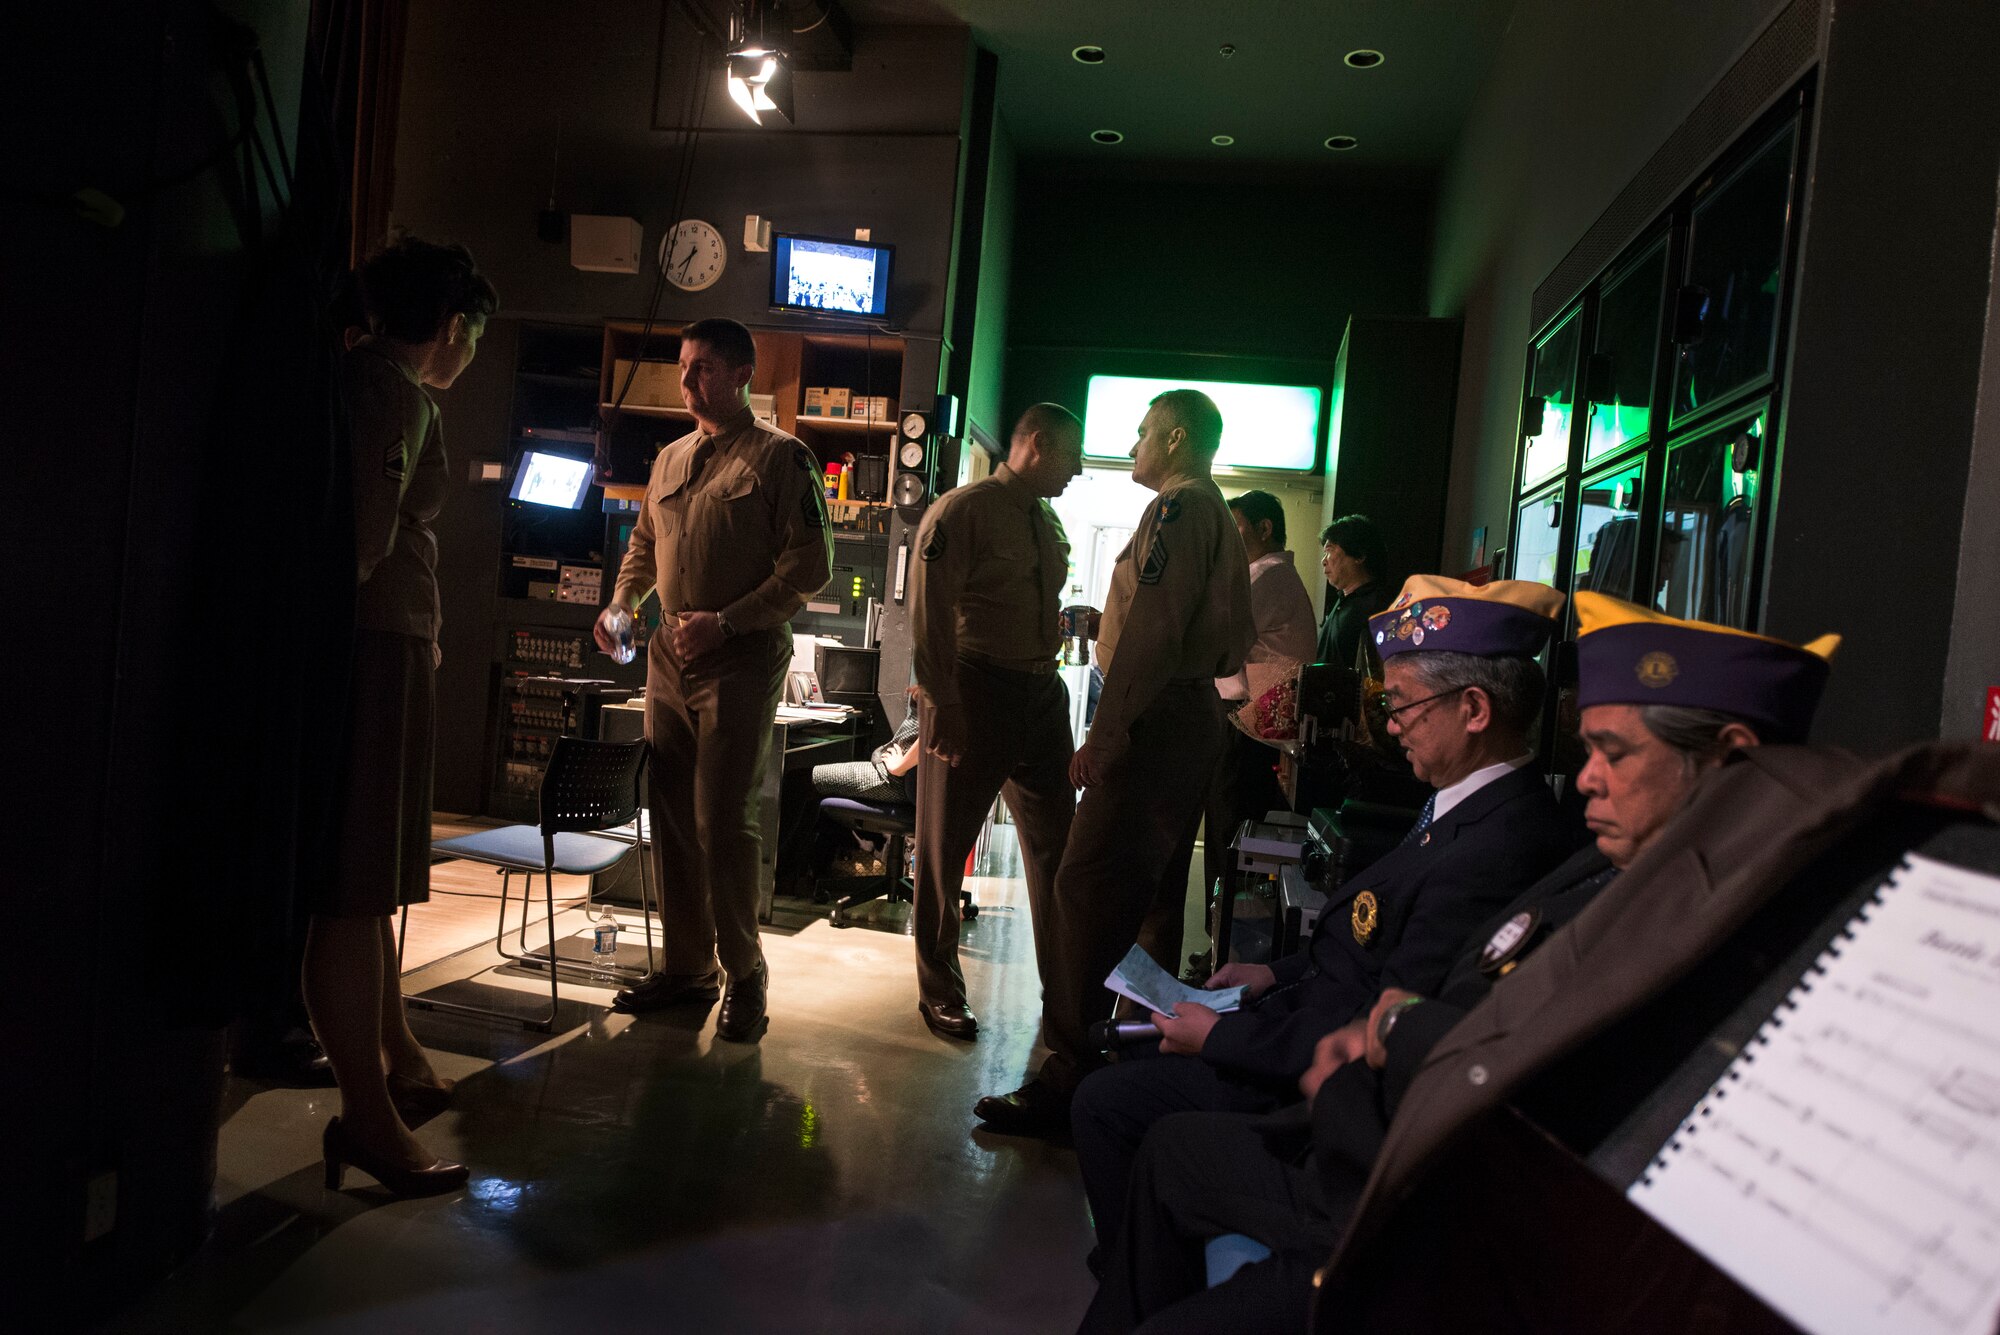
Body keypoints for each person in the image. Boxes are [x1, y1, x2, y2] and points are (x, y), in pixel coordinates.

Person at [1080, 590, 1841, 1334]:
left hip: (1419, 1210)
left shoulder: (1701, 927)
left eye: (1613, 753)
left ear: (1727, 758)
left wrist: (1383, 1040)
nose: (1585, 777)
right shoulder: (1610, 872)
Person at [1069, 576, 1580, 1251]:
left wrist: (1219, 1039)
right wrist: (1272, 973)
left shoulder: (1500, 845)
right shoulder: (1462, 803)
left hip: (1320, 1078)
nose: (1391, 725)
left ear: (1474, 709)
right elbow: (1366, 947)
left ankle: (1139, 1275)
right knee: (1121, 1068)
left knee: (1105, 1102)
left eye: (1401, 704)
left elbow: (1382, 1018)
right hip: (1299, 1018)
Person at [974, 388, 1254, 1135]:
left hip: (1155, 719)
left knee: (1083, 887)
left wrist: (1105, 734)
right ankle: (1134, 1057)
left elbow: (1155, 629)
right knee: (1152, 899)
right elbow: (1224, 634)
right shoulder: (1216, 514)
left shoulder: (1179, 508)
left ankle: (1071, 1074)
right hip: (1188, 715)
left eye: (1142, 432)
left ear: (1177, 437)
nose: (1133, 446)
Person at [305, 237, 496, 1197]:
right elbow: (360, 545)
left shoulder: (364, 379)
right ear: (452, 325)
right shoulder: (395, 395)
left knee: (368, 878)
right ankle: (367, 1115)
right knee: (354, 887)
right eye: (474, 334)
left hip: (383, 645)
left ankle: (397, 1056)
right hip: (375, 649)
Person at [597, 318, 833, 1042]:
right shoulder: (671, 458)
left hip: (740, 655)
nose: (687, 380)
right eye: (683, 366)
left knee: (723, 820)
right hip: (668, 654)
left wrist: (726, 623)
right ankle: (688, 968)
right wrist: (621, 604)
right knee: (670, 814)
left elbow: (811, 566)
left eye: (702, 367)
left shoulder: (782, 458)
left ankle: (745, 971)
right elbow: (644, 544)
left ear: (740, 375)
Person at [908, 403, 1085, 1041]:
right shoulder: (964, 511)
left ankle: (1068, 993)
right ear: (1037, 444)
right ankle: (938, 991)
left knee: (1058, 847)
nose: (1078, 469)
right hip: (976, 689)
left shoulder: (1047, 519)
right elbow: (928, 609)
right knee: (944, 847)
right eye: (1071, 455)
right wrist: (942, 700)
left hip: (1040, 693)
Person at [1202, 489, 1318, 910]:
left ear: (1264, 529)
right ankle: (1226, 926)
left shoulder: (1267, 575)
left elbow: (1215, 638)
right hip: (1254, 720)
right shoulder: (1269, 575)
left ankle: (1227, 929)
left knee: (1230, 828)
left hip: (1251, 722)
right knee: (1230, 826)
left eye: (1237, 528)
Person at [1315, 515, 1390, 671]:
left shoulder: (1377, 607)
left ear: (1359, 555)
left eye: (1330, 550)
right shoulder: (1344, 600)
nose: (1324, 561)